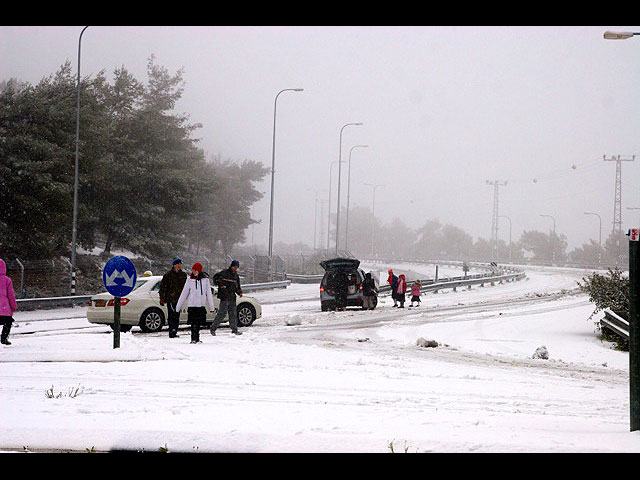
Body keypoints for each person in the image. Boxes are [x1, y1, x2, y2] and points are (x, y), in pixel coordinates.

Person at [176, 262, 215, 344]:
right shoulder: (189, 280)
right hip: (192, 305)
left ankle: (197, 338)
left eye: (195, 270)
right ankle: (193, 338)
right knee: (193, 323)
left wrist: (212, 307)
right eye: (193, 270)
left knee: (198, 323)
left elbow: (208, 294)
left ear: (199, 271)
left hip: (201, 305)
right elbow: (184, 293)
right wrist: (178, 307)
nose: (194, 272)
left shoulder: (205, 280)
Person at [210, 260, 244, 336]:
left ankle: (234, 330)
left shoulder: (236, 276)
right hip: (224, 296)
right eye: (234, 267)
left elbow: (237, 286)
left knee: (233, 314)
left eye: (237, 267)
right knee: (222, 314)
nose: (236, 268)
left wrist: (239, 292)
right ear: (231, 266)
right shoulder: (224, 272)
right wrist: (220, 285)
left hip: (232, 297)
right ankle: (213, 328)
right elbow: (215, 278)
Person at [159, 257, 187, 338]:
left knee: (177, 315)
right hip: (170, 299)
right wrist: (162, 297)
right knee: (172, 315)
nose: (179, 266)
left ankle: (175, 330)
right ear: (174, 265)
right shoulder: (168, 275)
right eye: (178, 264)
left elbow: (186, 287)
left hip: (179, 299)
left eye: (180, 264)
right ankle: (172, 331)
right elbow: (162, 287)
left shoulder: (183, 275)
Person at [0, 259, 18, 346]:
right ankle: (4, 338)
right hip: (4, 307)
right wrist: (14, 306)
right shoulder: (7, 280)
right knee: (8, 322)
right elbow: (11, 295)